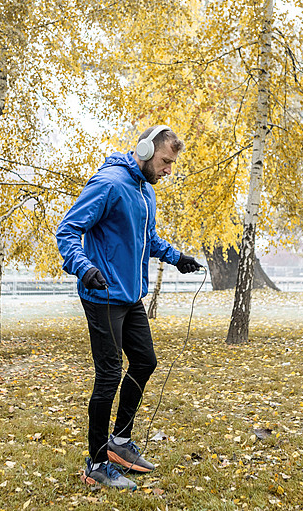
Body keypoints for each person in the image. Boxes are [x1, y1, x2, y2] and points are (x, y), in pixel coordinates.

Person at [55, 125, 203, 489]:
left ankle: (120, 443)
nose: (169, 170)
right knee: (108, 375)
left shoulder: (144, 191)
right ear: (144, 150)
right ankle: (95, 465)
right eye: (166, 161)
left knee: (145, 361)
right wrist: (83, 267)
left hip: (130, 295)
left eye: (172, 164)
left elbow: (146, 239)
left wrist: (176, 257)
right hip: (102, 294)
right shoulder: (109, 183)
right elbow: (68, 230)